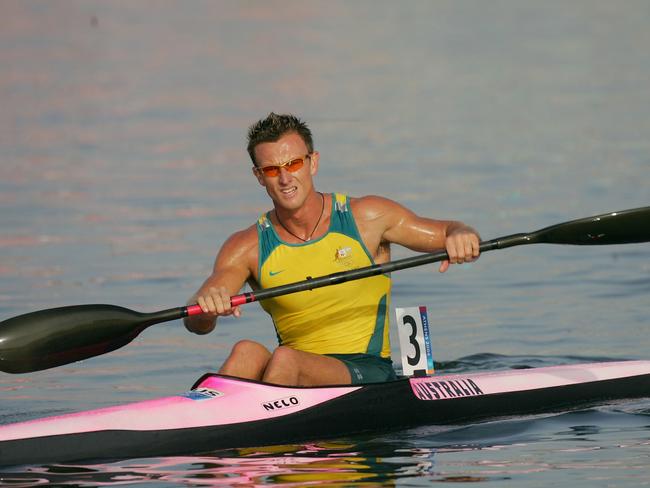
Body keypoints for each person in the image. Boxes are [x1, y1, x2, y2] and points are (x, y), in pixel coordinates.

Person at [184, 113, 480, 386]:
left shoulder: (367, 217)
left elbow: (447, 231)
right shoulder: (246, 246)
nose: (285, 179)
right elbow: (197, 320)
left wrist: (461, 234)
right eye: (272, 170)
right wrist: (207, 307)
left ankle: (254, 436)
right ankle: (199, 423)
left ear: (313, 162)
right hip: (291, 374)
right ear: (259, 176)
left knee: (286, 358)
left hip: (368, 371)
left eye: (294, 164)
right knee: (246, 351)